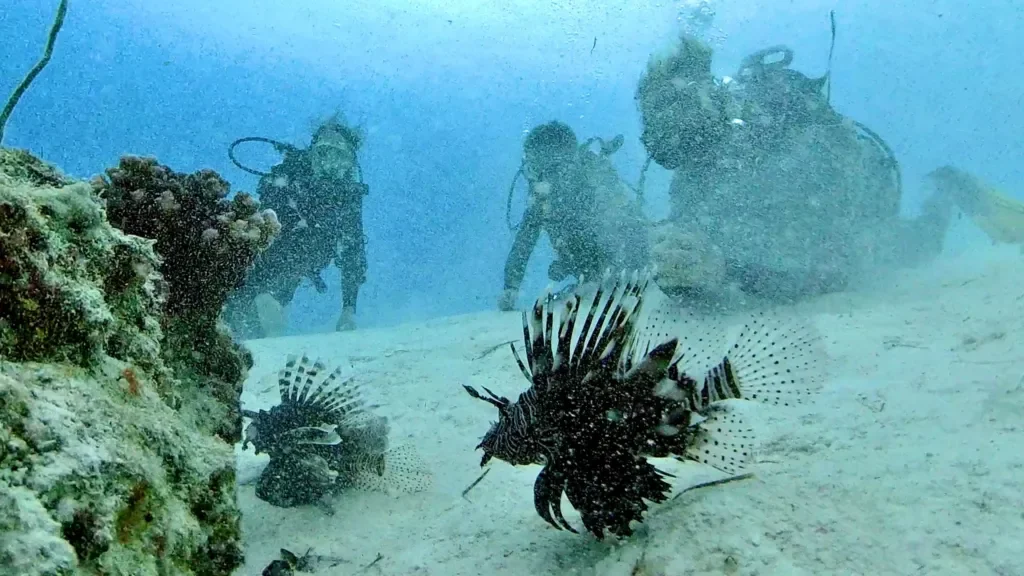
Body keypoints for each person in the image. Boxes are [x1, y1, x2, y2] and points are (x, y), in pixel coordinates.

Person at [633, 35, 961, 305]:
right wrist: (681, 273)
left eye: (669, 109)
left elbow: (838, 268)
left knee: (917, 246)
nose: (658, 132)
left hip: (863, 213)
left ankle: (948, 193)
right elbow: (705, 260)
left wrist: (726, 269)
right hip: (788, 242)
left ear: (704, 97)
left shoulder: (789, 136)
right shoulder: (696, 169)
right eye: (650, 115)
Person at [224, 116, 368, 337]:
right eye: (322, 153)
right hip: (258, 266)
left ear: (350, 162)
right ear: (312, 154)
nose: (329, 164)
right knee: (236, 318)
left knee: (255, 335)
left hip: (293, 273)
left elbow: (353, 252)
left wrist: (349, 310)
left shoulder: (348, 194)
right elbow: (264, 228)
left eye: (339, 157)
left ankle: (265, 307)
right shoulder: (288, 177)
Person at [497, 121, 649, 311]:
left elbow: (624, 232)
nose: (545, 175)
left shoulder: (593, 183)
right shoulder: (543, 198)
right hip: (604, 280)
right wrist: (510, 287)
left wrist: (582, 268)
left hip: (625, 279)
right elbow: (523, 243)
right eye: (534, 164)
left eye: (539, 163)